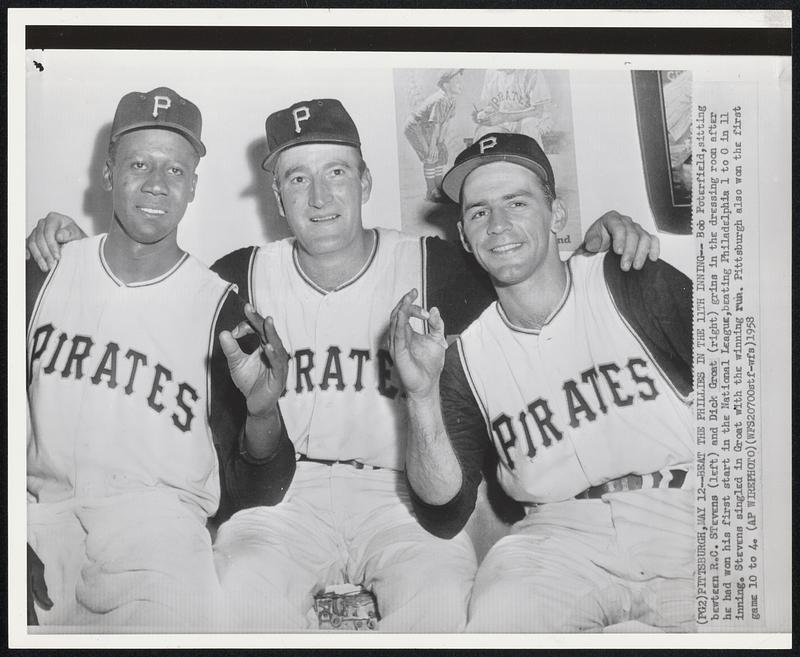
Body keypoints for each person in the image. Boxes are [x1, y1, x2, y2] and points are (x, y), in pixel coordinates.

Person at [27, 98, 658, 632]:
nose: (321, 196)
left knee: (441, 605)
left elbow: (519, 262)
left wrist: (596, 242)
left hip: (397, 502)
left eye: (337, 172)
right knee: (237, 599)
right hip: (286, 505)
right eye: (298, 178)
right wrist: (65, 246)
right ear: (276, 194)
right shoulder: (240, 276)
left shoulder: (434, 267)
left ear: (367, 183)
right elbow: (145, 296)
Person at [389, 132, 694, 632]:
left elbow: (762, 403)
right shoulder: (462, 356)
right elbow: (443, 510)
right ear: (464, 236)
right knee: (500, 620)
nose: (499, 225)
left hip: (681, 513)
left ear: (556, 216)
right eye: (479, 212)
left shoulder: (637, 280)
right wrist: (421, 396)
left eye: (517, 202)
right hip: (556, 539)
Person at [25, 87, 295, 630]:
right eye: (140, 164)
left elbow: (261, 487)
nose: (156, 184)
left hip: (156, 533)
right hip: (40, 518)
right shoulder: (42, 274)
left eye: (176, 170)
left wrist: (264, 413)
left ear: (193, 186)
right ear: (108, 174)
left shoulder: (223, 309)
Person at [403, 68, 464, 203]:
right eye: (456, 81)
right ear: (446, 85)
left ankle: (439, 188)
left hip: (427, 128)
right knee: (430, 155)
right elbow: (434, 125)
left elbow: (445, 123)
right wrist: (432, 146)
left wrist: (440, 143)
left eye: (461, 80)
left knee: (439, 153)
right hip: (415, 127)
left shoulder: (451, 100)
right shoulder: (440, 99)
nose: (461, 84)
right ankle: (431, 191)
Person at [472, 69, 552, 143]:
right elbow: (490, 105)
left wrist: (504, 117)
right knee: (482, 131)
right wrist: (483, 115)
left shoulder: (531, 71)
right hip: (503, 121)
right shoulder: (492, 71)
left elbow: (538, 112)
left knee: (528, 127)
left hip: (531, 118)